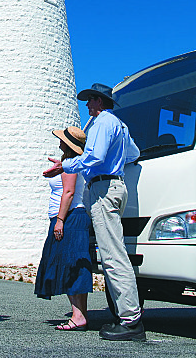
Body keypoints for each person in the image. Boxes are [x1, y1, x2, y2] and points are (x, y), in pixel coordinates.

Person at [43, 83, 145, 342]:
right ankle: (128, 315)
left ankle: (131, 320)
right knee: (116, 252)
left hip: (103, 188)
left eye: (90, 100)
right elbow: (134, 154)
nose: (87, 105)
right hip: (116, 187)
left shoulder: (101, 123)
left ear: (99, 102)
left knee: (113, 256)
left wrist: (65, 164)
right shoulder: (121, 126)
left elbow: (95, 157)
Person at [35, 126, 93, 331]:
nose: (59, 142)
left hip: (70, 217)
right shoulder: (71, 164)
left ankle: (78, 316)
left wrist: (60, 220)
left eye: (62, 140)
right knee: (75, 264)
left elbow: (68, 193)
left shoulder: (70, 164)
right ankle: (80, 316)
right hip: (74, 216)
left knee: (70, 265)